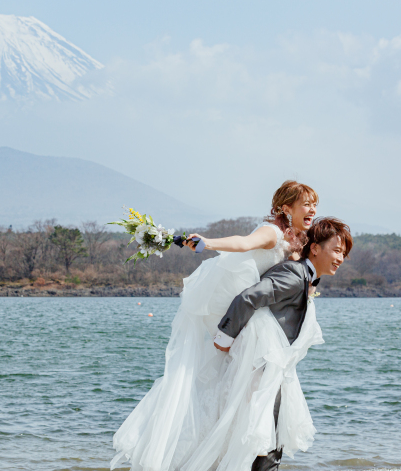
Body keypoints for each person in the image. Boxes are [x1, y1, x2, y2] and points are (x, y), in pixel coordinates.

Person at [111, 181, 318, 471]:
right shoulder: (271, 231)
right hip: (234, 307)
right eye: (306, 204)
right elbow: (243, 243)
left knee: (229, 384)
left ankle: (230, 452)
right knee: (243, 385)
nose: (312, 210)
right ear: (286, 208)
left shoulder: (295, 236)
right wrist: (209, 243)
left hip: (247, 309)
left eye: (314, 205)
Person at [182, 217, 352, 471]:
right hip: (261, 368)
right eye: (336, 250)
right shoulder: (295, 275)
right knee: (264, 441)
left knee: (266, 439)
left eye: (344, 253)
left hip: (270, 368)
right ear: (315, 248)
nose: (340, 258)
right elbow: (248, 298)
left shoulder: (304, 276)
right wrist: (224, 339)